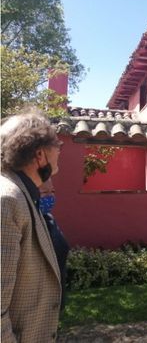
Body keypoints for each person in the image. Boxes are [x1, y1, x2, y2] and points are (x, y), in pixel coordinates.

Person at [1, 110, 63, 342]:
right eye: (57, 143)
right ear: (40, 154)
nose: (60, 149)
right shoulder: (7, 200)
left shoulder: (24, 193)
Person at [39, 179, 70, 310]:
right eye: (45, 192)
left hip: (54, 303)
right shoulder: (30, 222)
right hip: (38, 305)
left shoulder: (49, 219)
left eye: (53, 191)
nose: (50, 196)